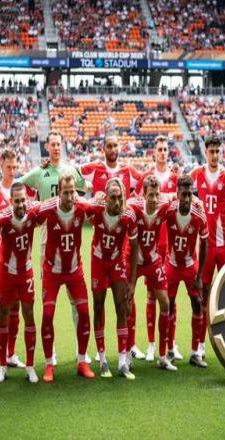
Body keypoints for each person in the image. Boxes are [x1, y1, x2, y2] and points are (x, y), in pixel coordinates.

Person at [18, 131, 91, 365]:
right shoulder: (39, 172)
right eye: (53, 145)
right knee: (50, 297)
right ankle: (52, 353)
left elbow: (85, 187)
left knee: (74, 298)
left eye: (59, 144)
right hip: (47, 235)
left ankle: (81, 350)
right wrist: (32, 202)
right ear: (47, 147)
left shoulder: (70, 170)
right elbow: (19, 184)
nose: (56, 148)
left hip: (70, 233)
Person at [80, 134, 145, 360]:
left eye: (116, 145)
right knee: (99, 302)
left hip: (122, 244)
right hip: (101, 240)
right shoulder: (94, 169)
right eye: (109, 145)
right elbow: (72, 174)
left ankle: (130, 345)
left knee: (126, 298)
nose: (113, 149)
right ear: (103, 148)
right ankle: (101, 352)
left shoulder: (129, 172)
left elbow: (146, 183)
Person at [35, 174, 95, 383]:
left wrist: (102, 198)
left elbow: (100, 209)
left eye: (73, 192)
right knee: (47, 315)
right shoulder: (48, 209)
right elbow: (30, 217)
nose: (70, 197)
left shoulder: (82, 207)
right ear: (58, 193)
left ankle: (82, 361)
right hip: (52, 271)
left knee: (84, 313)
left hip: (74, 270)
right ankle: (49, 363)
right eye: (66, 192)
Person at [190, 136, 225, 359]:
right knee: (203, 295)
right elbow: (182, 193)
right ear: (205, 152)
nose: (214, 155)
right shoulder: (196, 174)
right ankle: (200, 346)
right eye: (211, 151)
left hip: (224, 246)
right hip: (205, 247)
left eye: (217, 151)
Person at [88, 177, 138, 379]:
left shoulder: (128, 216)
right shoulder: (97, 209)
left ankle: (122, 362)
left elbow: (134, 249)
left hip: (117, 262)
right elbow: (79, 206)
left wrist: (132, 282)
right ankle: (102, 360)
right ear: (106, 198)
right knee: (98, 306)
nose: (117, 202)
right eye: (113, 198)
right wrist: (92, 198)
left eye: (120, 198)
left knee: (122, 307)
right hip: (99, 262)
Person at [136, 135, 180, 362]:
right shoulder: (147, 178)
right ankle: (152, 344)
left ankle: (171, 344)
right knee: (151, 294)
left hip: (169, 245)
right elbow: (137, 205)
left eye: (165, 149)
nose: (162, 152)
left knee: (170, 295)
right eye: (159, 149)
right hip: (150, 246)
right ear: (154, 152)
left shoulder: (175, 178)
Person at [127, 176, 175, 371]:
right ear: (143, 195)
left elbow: (175, 197)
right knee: (126, 301)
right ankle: (127, 352)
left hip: (153, 260)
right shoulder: (132, 206)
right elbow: (117, 205)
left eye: (157, 194)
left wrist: (196, 200)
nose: (155, 199)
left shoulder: (164, 204)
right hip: (133, 260)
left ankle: (162, 356)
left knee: (165, 302)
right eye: (151, 195)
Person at [0, 183, 39, 384]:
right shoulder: (2, 219)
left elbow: (53, 204)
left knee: (28, 314)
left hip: (26, 272)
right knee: (3, 315)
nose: (21, 205)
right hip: (5, 273)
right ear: (11, 201)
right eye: (17, 201)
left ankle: (30, 366)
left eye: (23, 200)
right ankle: (3, 366)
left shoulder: (33, 214)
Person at [0, 150, 25, 372]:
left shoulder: (21, 190)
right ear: (1, 166)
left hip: (19, 258)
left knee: (16, 306)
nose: (12, 170)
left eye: (14, 167)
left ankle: (10, 353)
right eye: (8, 167)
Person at [164, 175, 208, 368]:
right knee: (169, 305)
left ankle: (195, 352)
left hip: (191, 266)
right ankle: (170, 349)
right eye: (184, 194)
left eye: (190, 194)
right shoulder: (169, 211)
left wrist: (200, 276)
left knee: (197, 304)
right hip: (172, 265)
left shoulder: (199, 215)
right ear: (177, 194)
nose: (187, 199)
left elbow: (204, 244)